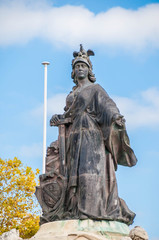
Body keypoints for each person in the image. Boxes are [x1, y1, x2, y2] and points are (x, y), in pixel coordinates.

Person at [50, 45, 137, 225]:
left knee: (89, 171)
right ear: (73, 71)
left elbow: (108, 106)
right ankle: (73, 208)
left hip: (92, 137)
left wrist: (115, 118)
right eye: (77, 66)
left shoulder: (96, 89)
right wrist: (59, 117)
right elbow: (68, 114)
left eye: (83, 66)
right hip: (73, 137)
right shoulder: (72, 93)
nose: (80, 69)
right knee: (74, 173)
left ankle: (91, 210)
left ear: (89, 70)